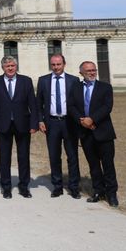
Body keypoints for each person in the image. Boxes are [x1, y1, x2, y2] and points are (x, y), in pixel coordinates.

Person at [68, 61, 118, 207]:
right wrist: (81, 120)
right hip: (85, 133)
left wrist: (92, 119)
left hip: (103, 132)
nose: (91, 73)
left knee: (108, 165)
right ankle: (98, 191)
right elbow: (71, 106)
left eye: (93, 70)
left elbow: (107, 106)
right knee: (94, 165)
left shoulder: (105, 87)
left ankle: (112, 194)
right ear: (81, 73)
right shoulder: (75, 87)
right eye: (88, 70)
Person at [0, 56, 38, 199]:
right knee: (5, 158)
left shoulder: (26, 81)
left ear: (16, 66)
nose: (10, 68)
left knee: (23, 157)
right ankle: (6, 187)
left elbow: (32, 104)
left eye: (12, 65)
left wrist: (34, 124)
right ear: (2, 67)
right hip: (3, 125)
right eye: (7, 66)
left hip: (23, 124)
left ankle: (24, 187)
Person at [36, 53, 81, 199]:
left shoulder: (74, 80)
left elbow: (78, 102)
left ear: (64, 64)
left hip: (69, 123)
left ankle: (74, 186)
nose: (56, 67)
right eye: (53, 65)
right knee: (54, 156)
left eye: (58, 64)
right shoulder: (43, 81)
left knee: (72, 156)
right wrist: (40, 120)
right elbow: (39, 103)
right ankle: (57, 186)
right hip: (52, 122)